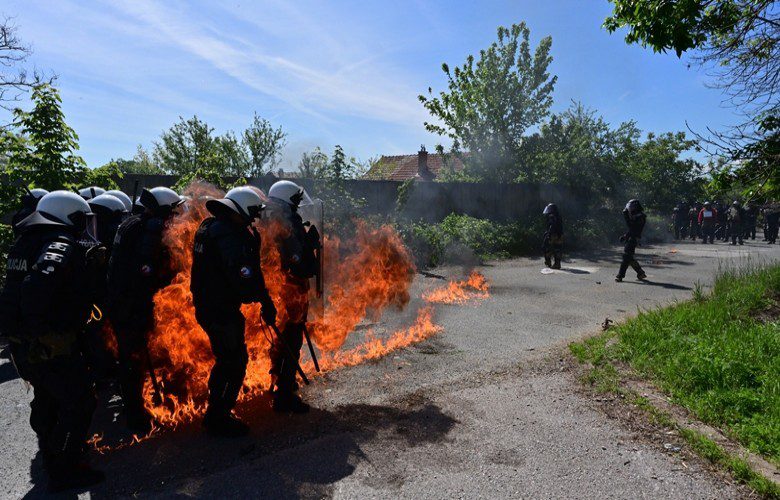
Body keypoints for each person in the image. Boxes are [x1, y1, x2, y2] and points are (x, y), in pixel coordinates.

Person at [0, 191, 105, 491]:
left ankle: (51, 457)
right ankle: (66, 469)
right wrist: (45, 332)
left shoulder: (25, 240)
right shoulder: (60, 242)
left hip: (24, 345)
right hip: (48, 346)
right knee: (80, 402)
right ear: (67, 215)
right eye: (80, 220)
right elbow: (37, 288)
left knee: (47, 400)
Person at [190, 187, 277, 436]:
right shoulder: (228, 235)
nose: (252, 219)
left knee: (227, 359)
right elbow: (244, 276)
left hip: (210, 306)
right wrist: (262, 300)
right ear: (239, 208)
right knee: (233, 362)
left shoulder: (211, 227)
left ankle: (218, 409)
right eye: (251, 213)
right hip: (220, 310)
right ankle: (218, 416)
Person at [106, 186, 183, 432]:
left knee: (132, 361)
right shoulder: (150, 229)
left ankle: (137, 410)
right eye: (172, 211)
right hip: (133, 306)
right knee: (135, 362)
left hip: (121, 303)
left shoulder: (131, 224)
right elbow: (145, 272)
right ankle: (137, 418)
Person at [267, 180, 320, 413]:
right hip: (292, 292)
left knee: (284, 340)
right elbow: (301, 266)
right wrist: (311, 245)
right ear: (288, 201)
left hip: (280, 290)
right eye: (296, 201)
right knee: (291, 340)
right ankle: (284, 394)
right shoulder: (288, 226)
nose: (298, 206)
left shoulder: (271, 221)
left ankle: (279, 380)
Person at [615, 199, 647, 283]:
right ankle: (640, 273)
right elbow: (631, 229)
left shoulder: (640, 217)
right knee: (629, 257)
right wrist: (625, 236)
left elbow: (633, 227)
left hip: (634, 239)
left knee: (626, 256)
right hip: (632, 238)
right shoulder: (637, 215)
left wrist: (625, 216)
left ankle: (620, 276)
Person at [542, 203, 563, 269]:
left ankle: (548, 262)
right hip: (560, 235)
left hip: (553, 235)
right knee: (557, 249)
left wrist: (549, 234)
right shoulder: (558, 216)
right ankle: (557, 264)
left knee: (546, 248)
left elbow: (552, 225)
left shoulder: (552, 216)